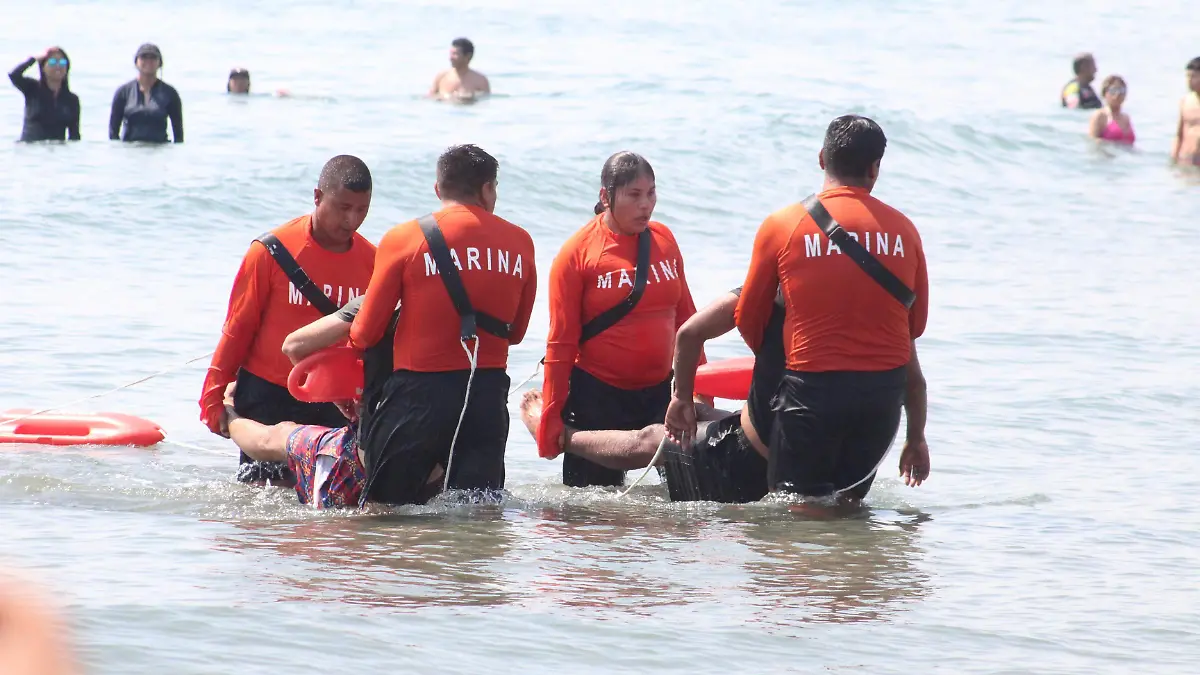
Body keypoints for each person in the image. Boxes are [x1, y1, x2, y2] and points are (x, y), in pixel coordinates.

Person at [517, 288, 930, 503]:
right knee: (702, 414)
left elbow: (690, 332)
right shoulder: (885, 304)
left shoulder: (783, 280)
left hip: (763, 458)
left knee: (658, 437)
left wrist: (680, 397)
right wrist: (916, 439)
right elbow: (915, 382)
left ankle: (560, 437)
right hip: (850, 460)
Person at [736, 114, 930, 500]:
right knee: (847, 507)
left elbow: (749, 320)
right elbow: (916, 323)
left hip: (814, 392)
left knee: (800, 516)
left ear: (822, 158)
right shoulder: (905, 230)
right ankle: (848, 564)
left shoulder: (783, 224)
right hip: (883, 397)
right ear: (875, 168)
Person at [349, 144, 536, 505]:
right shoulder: (521, 243)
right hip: (486, 394)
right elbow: (516, 333)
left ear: (439, 190)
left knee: (386, 512)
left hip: (418, 396)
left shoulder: (403, 239)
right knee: (479, 513)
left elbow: (365, 334)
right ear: (487, 189)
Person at [199, 155, 377, 485]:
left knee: (329, 510)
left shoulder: (373, 261)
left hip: (332, 402)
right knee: (260, 507)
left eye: (362, 209)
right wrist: (212, 395)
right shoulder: (269, 251)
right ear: (317, 197)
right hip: (267, 394)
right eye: (343, 207)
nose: (352, 219)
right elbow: (237, 329)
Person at [537, 151, 703, 488]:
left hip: (662, 393)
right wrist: (550, 417)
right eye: (634, 195)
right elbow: (561, 343)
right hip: (598, 398)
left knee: (689, 507)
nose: (646, 205)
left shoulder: (664, 240)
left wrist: (699, 391)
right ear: (606, 196)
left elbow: (688, 321)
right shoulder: (577, 253)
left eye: (651, 193)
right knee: (589, 517)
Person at [222, 296, 444, 509]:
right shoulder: (464, 308)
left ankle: (229, 411)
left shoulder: (378, 301)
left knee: (275, 437)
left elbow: (293, 346)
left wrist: (336, 392)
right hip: (436, 466)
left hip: (359, 460)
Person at [109, 43, 183, 143]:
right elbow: (113, 132)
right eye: (144, 57)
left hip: (160, 150)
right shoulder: (123, 92)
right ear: (136, 62)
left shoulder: (170, 93)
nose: (148, 61)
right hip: (130, 150)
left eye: (153, 57)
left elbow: (178, 134)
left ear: (160, 63)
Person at [8, 47, 79, 142]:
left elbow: (74, 135)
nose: (58, 66)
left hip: (58, 152)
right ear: (43, 67)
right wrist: (33, 60)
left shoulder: (72, 99)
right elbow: (14, 75)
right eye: (53, 62)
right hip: (30, 149)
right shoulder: (32, 89)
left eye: (62, 63)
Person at [1087, 75, 1135, 145]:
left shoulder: (1126, 118)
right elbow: (1092, 143)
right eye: (1113, 90)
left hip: (1126, 156)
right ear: (1105, 93)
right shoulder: (1100, 116)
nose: (1118, 94)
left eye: (1122, 90)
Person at [1171, 58, 1200, 166]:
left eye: (1193, 76)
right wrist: (1173, 158)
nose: (1189, 80)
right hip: (1186, 158)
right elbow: (1179, 134)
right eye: (1187, 76)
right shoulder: (1185, 101)